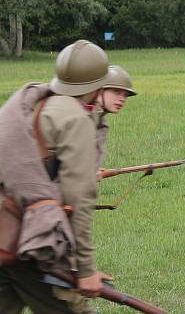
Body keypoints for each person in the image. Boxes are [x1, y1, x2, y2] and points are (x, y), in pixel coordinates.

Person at [0, 40, 112, 313]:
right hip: (27, 246)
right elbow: (80, 200)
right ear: (97, 85)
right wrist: (85, 269)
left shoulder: (33, 104)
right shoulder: (75, 120)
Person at [95, 65, 137, 169]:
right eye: (117, 92)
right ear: (100, 90)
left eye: (125, 95)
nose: (122, 99)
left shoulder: (100, 123)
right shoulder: (81, 115)